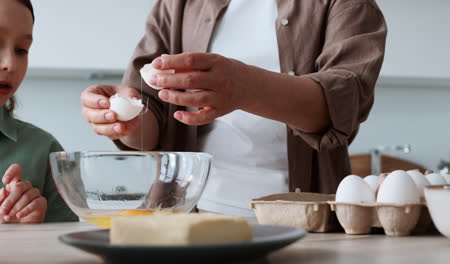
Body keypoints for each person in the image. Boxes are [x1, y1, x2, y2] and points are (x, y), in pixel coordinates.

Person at [81, 0, 387, 217]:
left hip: (307, 219)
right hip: (193, 215)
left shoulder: (347, 4)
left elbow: (343, 105)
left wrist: (246, 87)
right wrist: (129, 117)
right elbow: (151, 121)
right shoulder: (177, 6)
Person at [0, 0, 77, 223]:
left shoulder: (47, 151)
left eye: (21, 50)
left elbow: (66, 251)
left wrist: (36, 228)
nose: (10, 64)